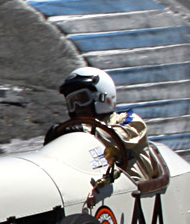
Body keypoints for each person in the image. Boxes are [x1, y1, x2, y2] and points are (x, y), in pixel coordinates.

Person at [44, 65, 170, 196]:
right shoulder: (74, 133)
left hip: (134, 195)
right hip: (96, 194)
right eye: (71, 102)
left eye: (82, 99)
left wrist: (82, 130)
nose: (77, 107)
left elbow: (119, 136)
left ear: (102, 96)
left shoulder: (129, 120)